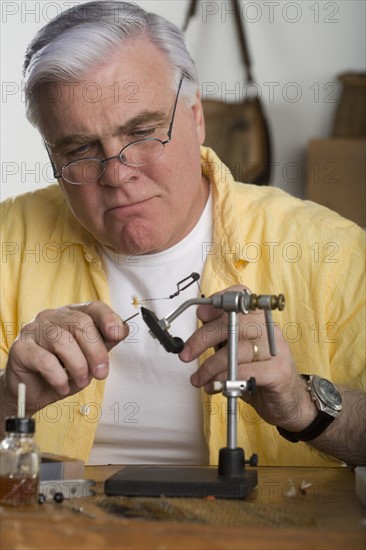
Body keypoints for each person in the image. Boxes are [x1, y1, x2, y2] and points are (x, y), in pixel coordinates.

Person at [0, 1, 365, 468]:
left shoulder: (333, 252)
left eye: (143, 132)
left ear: (196, 116)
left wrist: (301, 406)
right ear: (52, 155)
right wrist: (7, 400)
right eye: (80, 149)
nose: (116, 173)